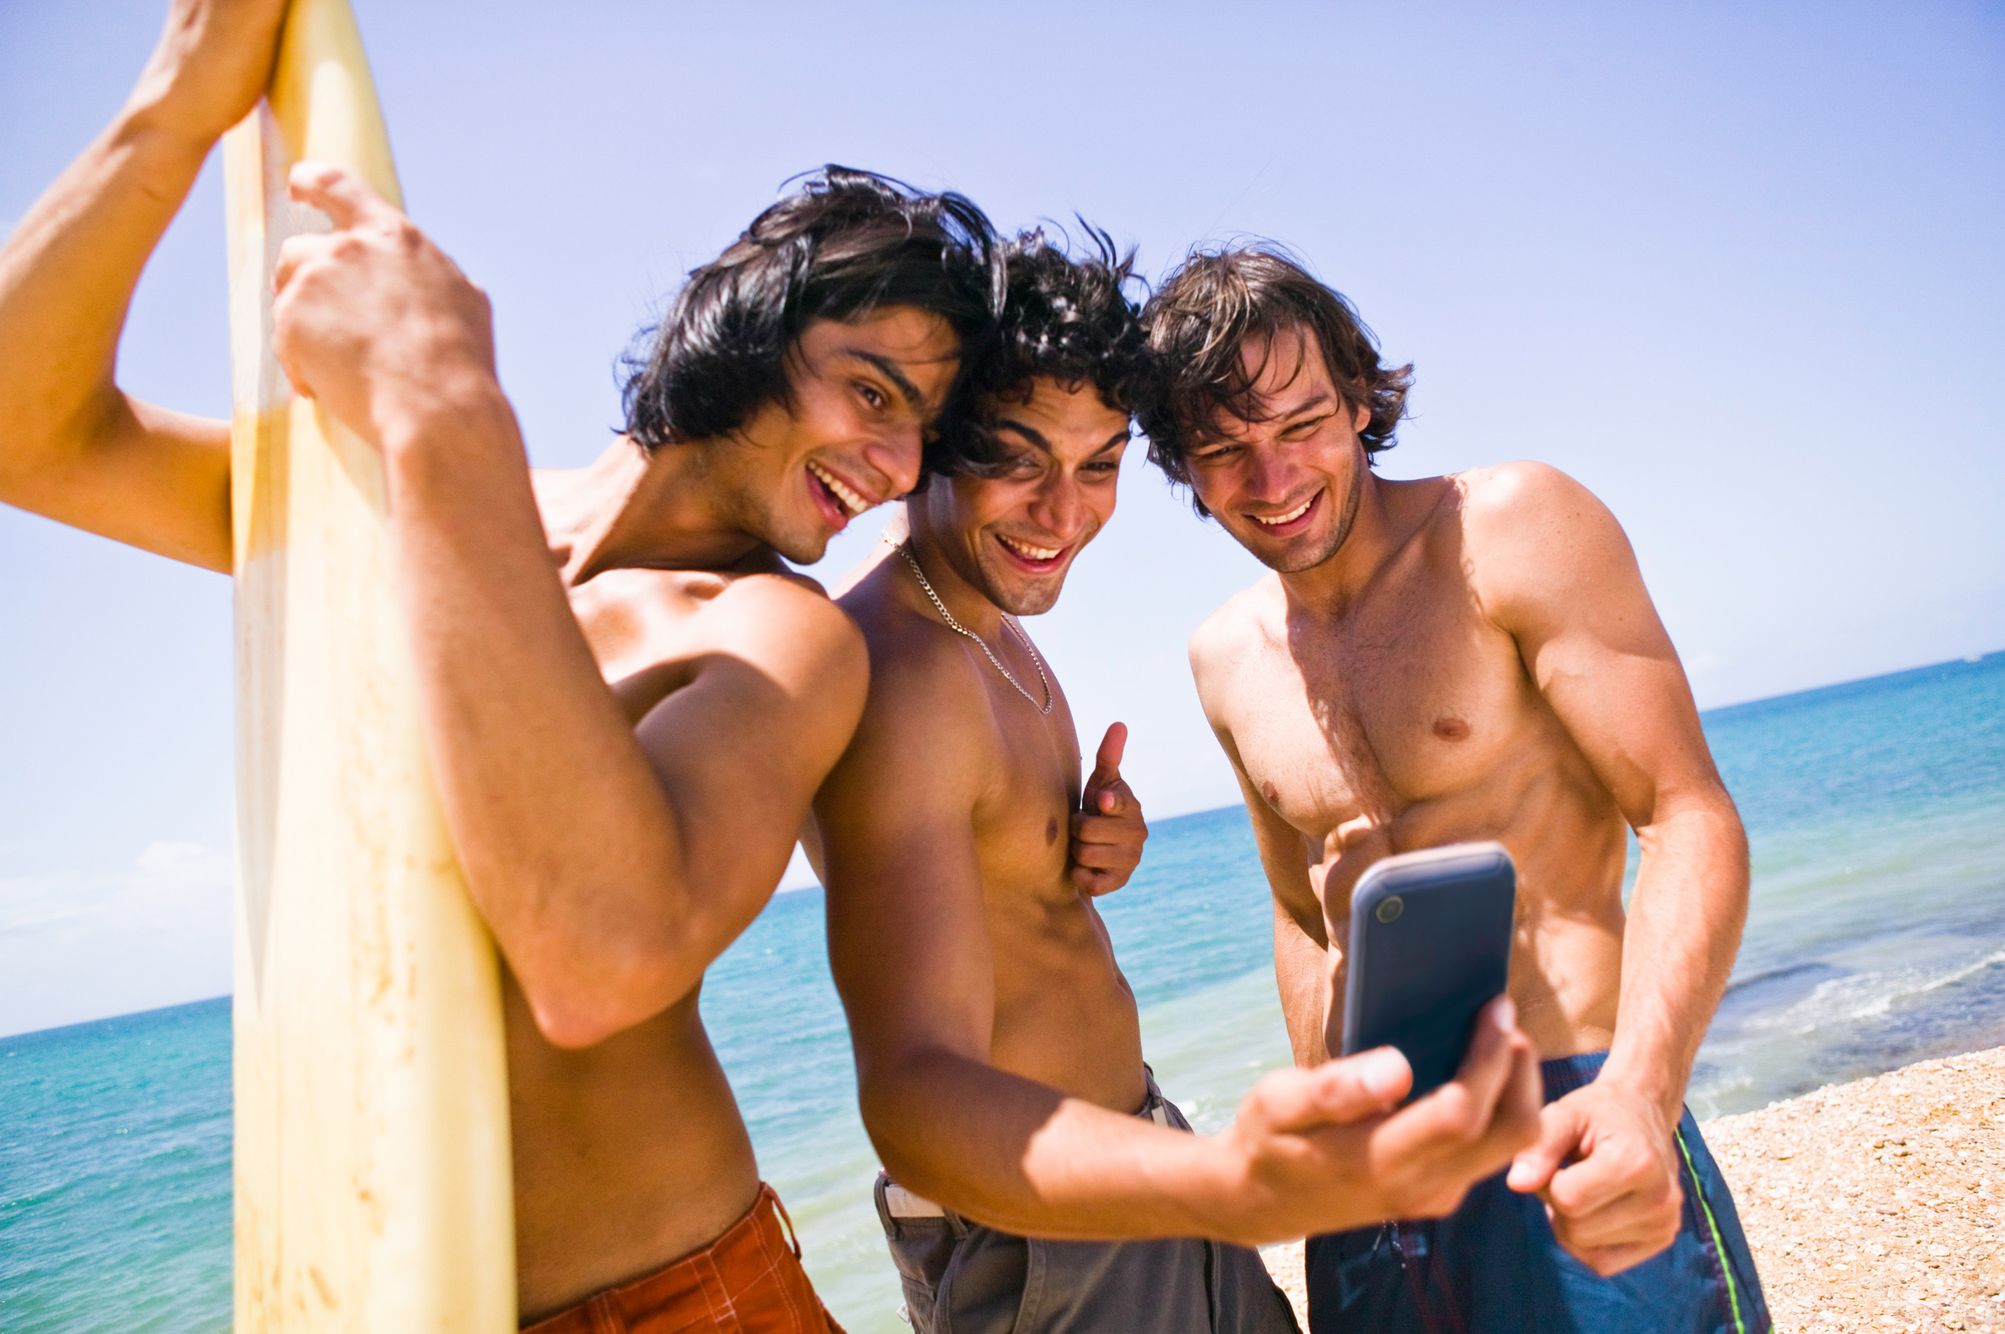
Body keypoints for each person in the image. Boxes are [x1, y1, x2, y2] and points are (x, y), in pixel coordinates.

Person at [0, 2, 1003, 1327]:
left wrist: (446, 409)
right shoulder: (413, 497)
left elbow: (598, 963)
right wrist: (178, 108)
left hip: (680, 1300)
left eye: (919, 433)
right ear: (754, 326)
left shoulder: (774, 633)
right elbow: (32, 432)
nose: (894, 467)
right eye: (873, 392)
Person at [809, 232, 1545, 1333]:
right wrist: (1242, 1182)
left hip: (1135, 1155)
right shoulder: (900, 674)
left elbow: (991, 884)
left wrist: (1085, 846)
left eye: (1098, 464)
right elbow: (916, 1090)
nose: (1065, 514)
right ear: (931, 439)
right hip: (1040, 1225)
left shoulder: (988, 623)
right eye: (1019, 458)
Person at [1140, 244, 1772, 1332]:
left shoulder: (1512, 526)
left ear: (1357, 400)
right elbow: (1299, 917)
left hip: (1571, 1105)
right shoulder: (1223, 656)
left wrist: (1640, 1090)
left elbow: (1683, 812)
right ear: (1182, 466)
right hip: (1381, 1164)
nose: (1274, 478)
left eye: (1301, 425)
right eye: (1224, 448)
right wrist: (1325, 1124)